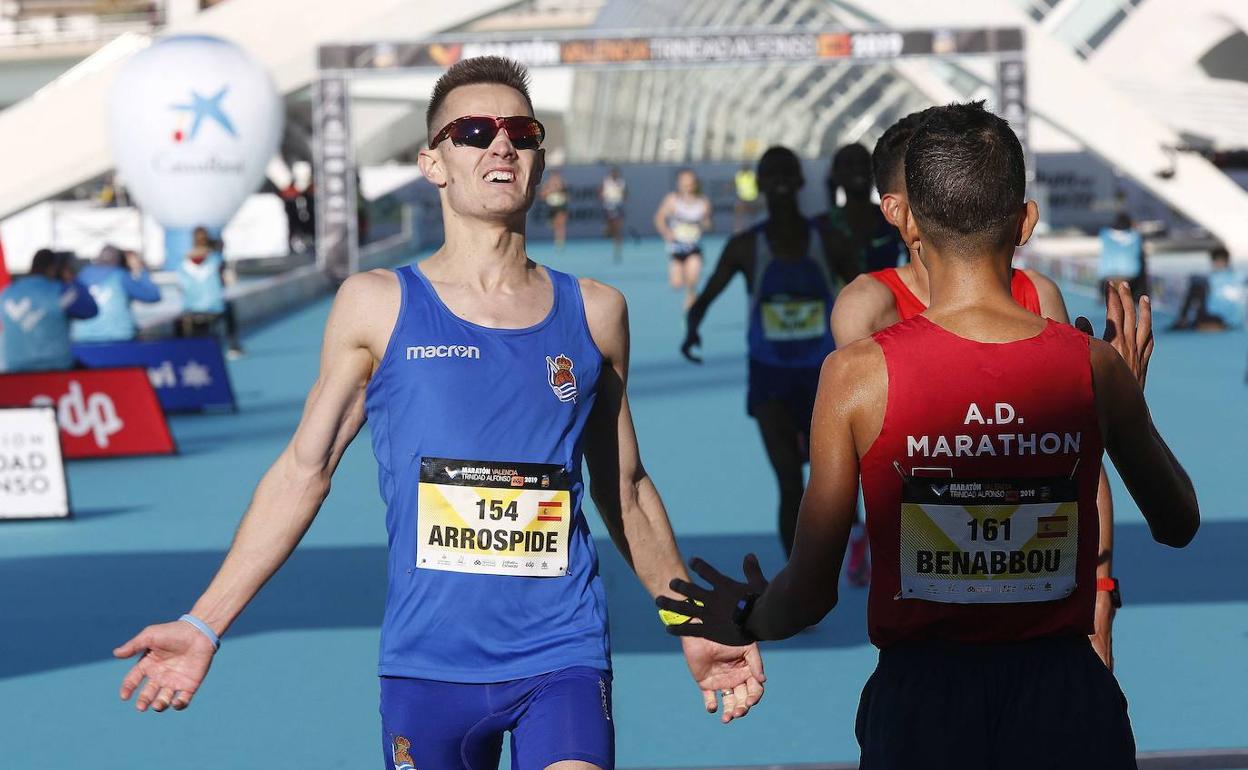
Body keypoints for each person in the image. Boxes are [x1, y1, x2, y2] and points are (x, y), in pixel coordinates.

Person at [114, 56, 764, 770]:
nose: (501, 145)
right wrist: (204, 622)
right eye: (475, 130)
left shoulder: (598, 312)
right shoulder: (376, 304)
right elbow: (305, 470)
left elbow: (627, 488)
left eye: (521, 130)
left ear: (539, 158)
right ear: (433, 162)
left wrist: (691, 620)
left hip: (563, 651)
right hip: (427, 667)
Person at [658, 102, 1199, 770]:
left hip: (922, 709)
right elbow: (1177, 523)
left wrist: (741, 619)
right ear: (1025, 222)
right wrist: (1123, 412)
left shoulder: (855, 377)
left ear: (911, 220)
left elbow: (811, 591)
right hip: (1066, 702)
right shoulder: (1092, 368)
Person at [831, 110, 1122, 667]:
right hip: (934, 638)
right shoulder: (869, 309)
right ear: (901, 211)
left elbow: (1087, 465)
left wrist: (1101, 592)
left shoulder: (1037, 295)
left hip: (1041, 631)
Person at [681, 147, 856, 557]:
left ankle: (837, 556)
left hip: (823, 379)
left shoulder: (828, 241)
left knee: (830, 482)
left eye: (786, 174)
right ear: (759, 185)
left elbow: (868, 292)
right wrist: (692, 329)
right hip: (769, 379)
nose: (778, 182)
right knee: (790, 482)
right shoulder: (745, 247)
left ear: (799, 182)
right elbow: (707, 295)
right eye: (770, 175)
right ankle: (800, 577)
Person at [1, 249, 97, 372]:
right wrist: (72, 279)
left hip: (14, 370)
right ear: (53, 268)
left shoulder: (6, 294)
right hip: (57, 368)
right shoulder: (60, 291)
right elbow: (91, 310)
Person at [815, 143, 904, 274]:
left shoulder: (893, 220)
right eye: (849, 164)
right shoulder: (823, 226)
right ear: (836, 174)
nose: (858, 168)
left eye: (864, 163)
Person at [176, 226, 243, 358]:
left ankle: (185, 353)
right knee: (229, 307)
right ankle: (233, 346)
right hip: (214, 308)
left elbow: (181, 288)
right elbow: (225, 282)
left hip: (191, 308)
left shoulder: (182, 264)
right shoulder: (216, 260)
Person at [72, 245, 161, 343]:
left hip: (82, 338)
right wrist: (139, 268)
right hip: (119, 338)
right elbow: (153, 295)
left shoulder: (80, 278)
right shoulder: (121, 277)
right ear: (121, 261)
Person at [654, 168, 712, 311]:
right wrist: (667, 233)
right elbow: (659, 218)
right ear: (679, 184)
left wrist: (704, 225)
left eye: (690, 184)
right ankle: (688, 290)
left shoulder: (703, 202)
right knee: (677, 283)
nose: (688, 187)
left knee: (692, 276)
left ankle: (691, 300)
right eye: (684, 184)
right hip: (676, 247)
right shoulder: (672, 200)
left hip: (694, 247)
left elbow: (708, 223)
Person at [1169, 246, 1244, 331]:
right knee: (1198, 285)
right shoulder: (1239, 276)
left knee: (1197, 286)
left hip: (1218, 318)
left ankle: (1183, 320)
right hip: (1230, 320)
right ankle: (1189, 322)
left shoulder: (1213, 278)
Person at [1099, 213, 1149, 302]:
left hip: (1108, 275)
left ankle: (1101, 297)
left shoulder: (1105, 234)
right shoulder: (1136, 236)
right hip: (1131, 276)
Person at [600, 166, 627, 263]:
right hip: (608, 206)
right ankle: (609, 230)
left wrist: (621, 195)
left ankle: (617, 246)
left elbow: (625, 195)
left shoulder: (621, 182)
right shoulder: (606, 182)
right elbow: (601, 194)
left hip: (618, 206)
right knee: (612, 227)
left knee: (618, 228)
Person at [541, 168, 569, 251]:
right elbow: (542, 195)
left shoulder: (562, 183)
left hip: (561, 205)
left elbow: (567, 194)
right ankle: (557, 238)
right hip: (551, 205)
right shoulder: (547, 184)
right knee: (555, 225)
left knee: (561, 224)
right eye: (553, 175)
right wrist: (548, 191)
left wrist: (560, 189)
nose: (555, 177)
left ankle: (560, 242)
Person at [733, 162, 760, 232]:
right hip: (742, 199)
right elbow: (733, 184)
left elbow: (759, 184)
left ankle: (754, 229)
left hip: (753, 199)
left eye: (746, 167)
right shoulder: (738, 175)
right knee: (739, 212)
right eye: (744, 167)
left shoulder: (753, 175)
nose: (745, 169)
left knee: (753, 215)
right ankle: (738, 230)